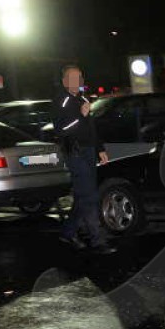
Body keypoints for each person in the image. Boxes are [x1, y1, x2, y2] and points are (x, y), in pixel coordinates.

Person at [52, 65, 116, 254]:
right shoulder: (61, 101)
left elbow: (91, 127)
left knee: (83, 195)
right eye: (71, 77)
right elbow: (60, 129)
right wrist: (80, 116)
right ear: (64, 81)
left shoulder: (82, 98)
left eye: (79, 77)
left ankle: (68, 231)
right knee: (89, 195)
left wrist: (100, 149)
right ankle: (97, 239)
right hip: (74, 152)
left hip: (88, 151)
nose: (76, 81)